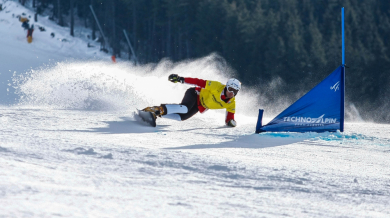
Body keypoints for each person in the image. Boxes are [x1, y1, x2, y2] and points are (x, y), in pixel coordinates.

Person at [142, 74, 241, 127]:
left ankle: (157, 113)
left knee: (181, 117)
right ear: (226, 87)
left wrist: (231, 122)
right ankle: (156, 109)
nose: (232, 93)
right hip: (194, 94)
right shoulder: (217, 86)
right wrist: (181, 79)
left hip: (199, 105)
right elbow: (198, 82)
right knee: (185, 108)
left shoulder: (231, 103)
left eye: (235, 91)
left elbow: (229, 118)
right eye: (230, 89)